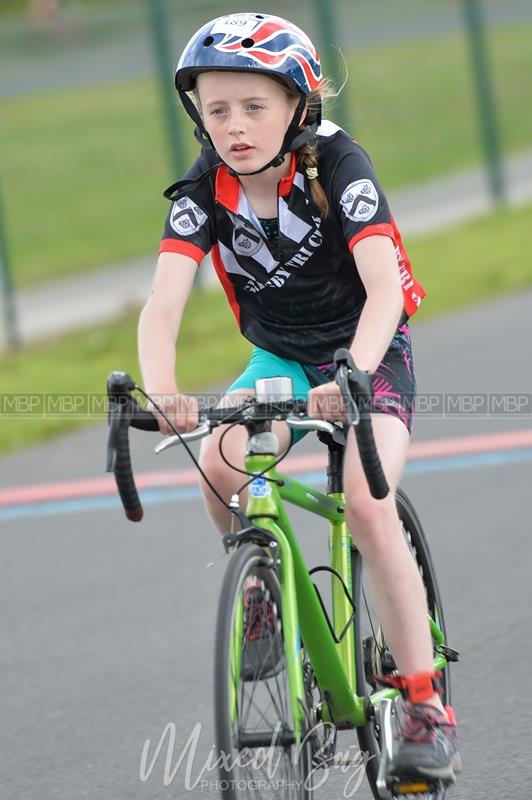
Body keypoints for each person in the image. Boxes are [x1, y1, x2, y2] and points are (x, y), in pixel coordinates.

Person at [138, 12, 460, 783]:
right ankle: (262, 596)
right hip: (281, 354)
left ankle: (423, 704)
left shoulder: (338, 164)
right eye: (217, 109)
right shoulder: (200, 190)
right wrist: (164, 390)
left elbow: (386, 288)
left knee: (366, 501)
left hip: (367, 350)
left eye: (254, 106)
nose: (235, 126)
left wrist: (352, 370)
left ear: (299, 107)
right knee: (219, 466)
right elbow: (162, 305)